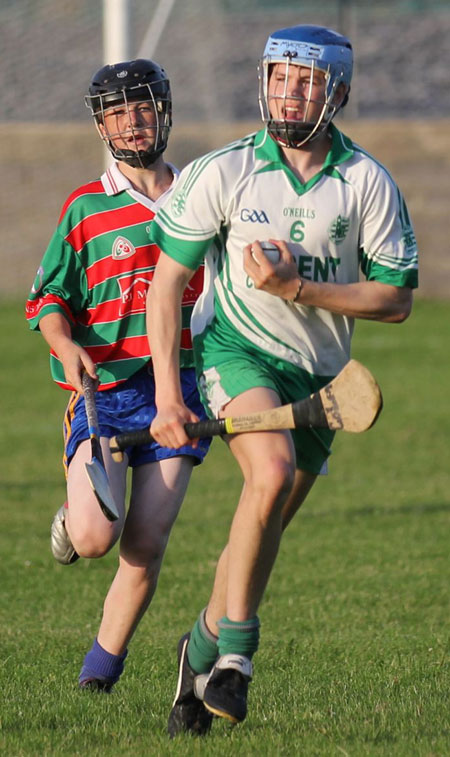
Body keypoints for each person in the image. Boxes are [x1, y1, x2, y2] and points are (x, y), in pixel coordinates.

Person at [145, 25, 418, 736]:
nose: (288, 93)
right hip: (236, 354)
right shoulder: (225, 170)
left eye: (306, 81)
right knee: (267, 473)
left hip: (322, 383)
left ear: (338, 93)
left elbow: (395, 298)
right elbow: (168, 283)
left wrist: (300, 290)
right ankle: (236, 654)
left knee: (260, 528)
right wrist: (169, 395)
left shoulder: (366, 183)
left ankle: (198, 651)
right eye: (278, 77)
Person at [25, 59, 210, 694]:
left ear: (164, 110)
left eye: (143, 106)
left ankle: (96, 678)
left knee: (146, 543)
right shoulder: (86, 208)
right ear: (101, 123)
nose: (133, 122)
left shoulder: (201, 196)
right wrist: (62, 340)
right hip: (104, 394)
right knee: (97, 538)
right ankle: (74, 515)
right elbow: (48, 298)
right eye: (118, 111)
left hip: (179, 391)